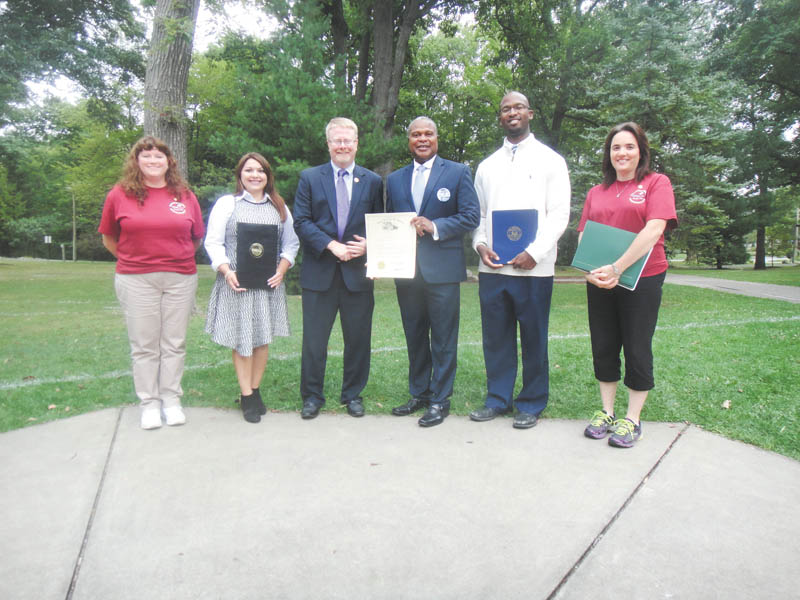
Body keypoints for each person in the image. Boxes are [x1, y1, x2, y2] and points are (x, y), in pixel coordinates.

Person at [470, 91, 571, 429]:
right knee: (495, 337)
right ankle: (498, 398)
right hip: (494, 268)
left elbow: (559, 215)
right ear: (500, 117)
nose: (511, 113)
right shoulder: (487, 166)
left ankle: (530, 402)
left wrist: (535, 252)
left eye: (517, 108)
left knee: (533, 337)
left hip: (535, 269)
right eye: (505, 109)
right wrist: (481, 246)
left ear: (529, 113)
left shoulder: (551, 160)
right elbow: (479, 216)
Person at [578, 122, 677, 448]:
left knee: (636, 345)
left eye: (629, 146)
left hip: (642, 278)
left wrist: (619, 267)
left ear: (641, 151)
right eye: (616, 147)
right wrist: (591, 271)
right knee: (604, 344)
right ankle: (606, 411)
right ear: (609, 154)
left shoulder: (656, 183)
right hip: (601, 280)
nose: (622, 153)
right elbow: (584, 234)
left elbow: (654, 230)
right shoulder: (596, 192)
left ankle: (632, 419)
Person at [99, 136, 205, 430]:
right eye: (146, 157)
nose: (153, 161)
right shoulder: (119, 195)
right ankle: (149, 403)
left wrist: (173, 259)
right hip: (136, 279)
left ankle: (171, 400)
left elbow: (196, 237)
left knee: (174, 342)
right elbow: (108, 235)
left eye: (159, 157)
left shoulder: (184, 195)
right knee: (145, 345)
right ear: (137, 161)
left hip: (180, 278)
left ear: (169, 162)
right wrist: (134, 259)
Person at [386, 117, 480, 427]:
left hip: (442, 271)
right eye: (416, 134)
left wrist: (436, 226)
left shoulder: (457, 172)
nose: (422, 139)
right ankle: (419, 393)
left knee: (442, 338)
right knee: (414, 335)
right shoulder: (395, 179)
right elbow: (388, 223)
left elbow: (470, 216)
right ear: (409, 140)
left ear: (437, 139)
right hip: (406, 269)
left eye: (428, 134)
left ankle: (440, 400)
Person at [293, 117, 383, 419]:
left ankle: (353, 394)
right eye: (337, 141)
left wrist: (368, 244)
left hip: (358, 275)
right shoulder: (309, 177)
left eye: (348, 140)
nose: (342, 145)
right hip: (320, 273)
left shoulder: (372, 181)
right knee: (315, 340)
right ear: (328, 144)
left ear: (357, 144)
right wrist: (332, 245)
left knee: (358, 339)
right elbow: (301, 221)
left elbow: (382, 223)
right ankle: (312, 396)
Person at [204, 153, 300, 423]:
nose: (255, 175)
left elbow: (291, 244)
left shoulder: (279, 207)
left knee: (262, 338)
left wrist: (282, 270)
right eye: (249, 170)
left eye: (260, 170)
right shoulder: (227, 205)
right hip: (237, 283)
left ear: (268, 176)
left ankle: (255, 389)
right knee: (241, 338)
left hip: (268, 285)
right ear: (240, 175)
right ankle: (246, 395)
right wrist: (225, 270)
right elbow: (213, 242)